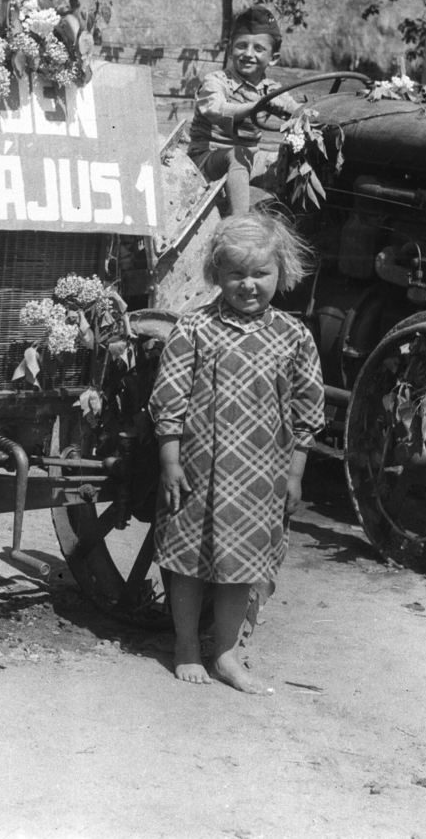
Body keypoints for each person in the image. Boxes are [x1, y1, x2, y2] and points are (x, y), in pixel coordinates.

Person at [149, 212, 324, 693]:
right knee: (187, 561)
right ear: (217, 274)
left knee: (239, 568)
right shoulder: (194, 328)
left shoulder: (293, 336)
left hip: (259, 479)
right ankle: (186, 644)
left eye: (260, 274)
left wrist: (295, 473)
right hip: (197, 474)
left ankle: (225, 653)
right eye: (236, 274)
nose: (248, 285)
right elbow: (169, 398)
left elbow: (308, 410)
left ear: (280, 274)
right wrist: (169, 461)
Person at [187, 4, 304, 215]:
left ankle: (290, 220)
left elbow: (298, 111)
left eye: (259, 49)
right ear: (231, 49)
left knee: (292, 160)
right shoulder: (216, 81)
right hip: (207, 159)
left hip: (249, 160)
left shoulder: (272, 90)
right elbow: (217, 108)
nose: (248, 54)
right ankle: (240, 224)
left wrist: (303, 116)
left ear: (273, 58)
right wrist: (257, 106)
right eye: (242, 46)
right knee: (239, 154)